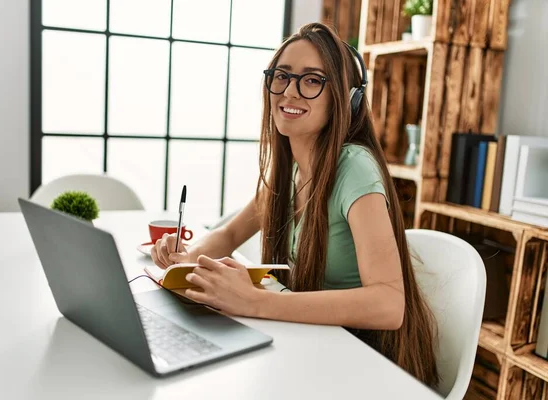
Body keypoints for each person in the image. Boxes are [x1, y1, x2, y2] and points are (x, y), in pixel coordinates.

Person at [151, 22, 439, 388]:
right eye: (282, 76)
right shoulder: (291, 170)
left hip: (361, 363)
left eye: (313, 80)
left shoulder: (354, 168)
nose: (290, 91)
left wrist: (255, 302)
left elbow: (389, 305)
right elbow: (228, 233)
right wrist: (187, 257)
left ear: (346, 100)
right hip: (310, 345)